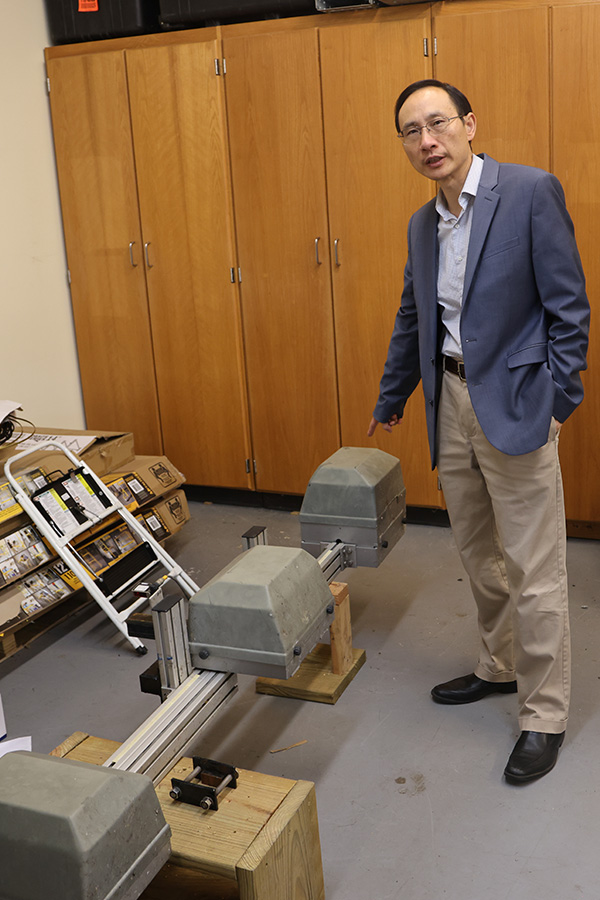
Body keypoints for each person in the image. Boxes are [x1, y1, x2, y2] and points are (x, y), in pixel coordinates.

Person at [368, 79, 589, 785]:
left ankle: (544, 713)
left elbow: (569, 305)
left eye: (437, 123)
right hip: (451, 403)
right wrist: (394, 393)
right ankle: (498, 666)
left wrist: (559, 399)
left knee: (534, 568)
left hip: (520, 402)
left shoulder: (529, 192)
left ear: (469, 123)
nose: (426, 140)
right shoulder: (420, 223)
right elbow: (414, 314)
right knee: (476, 552)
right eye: (410, 131)